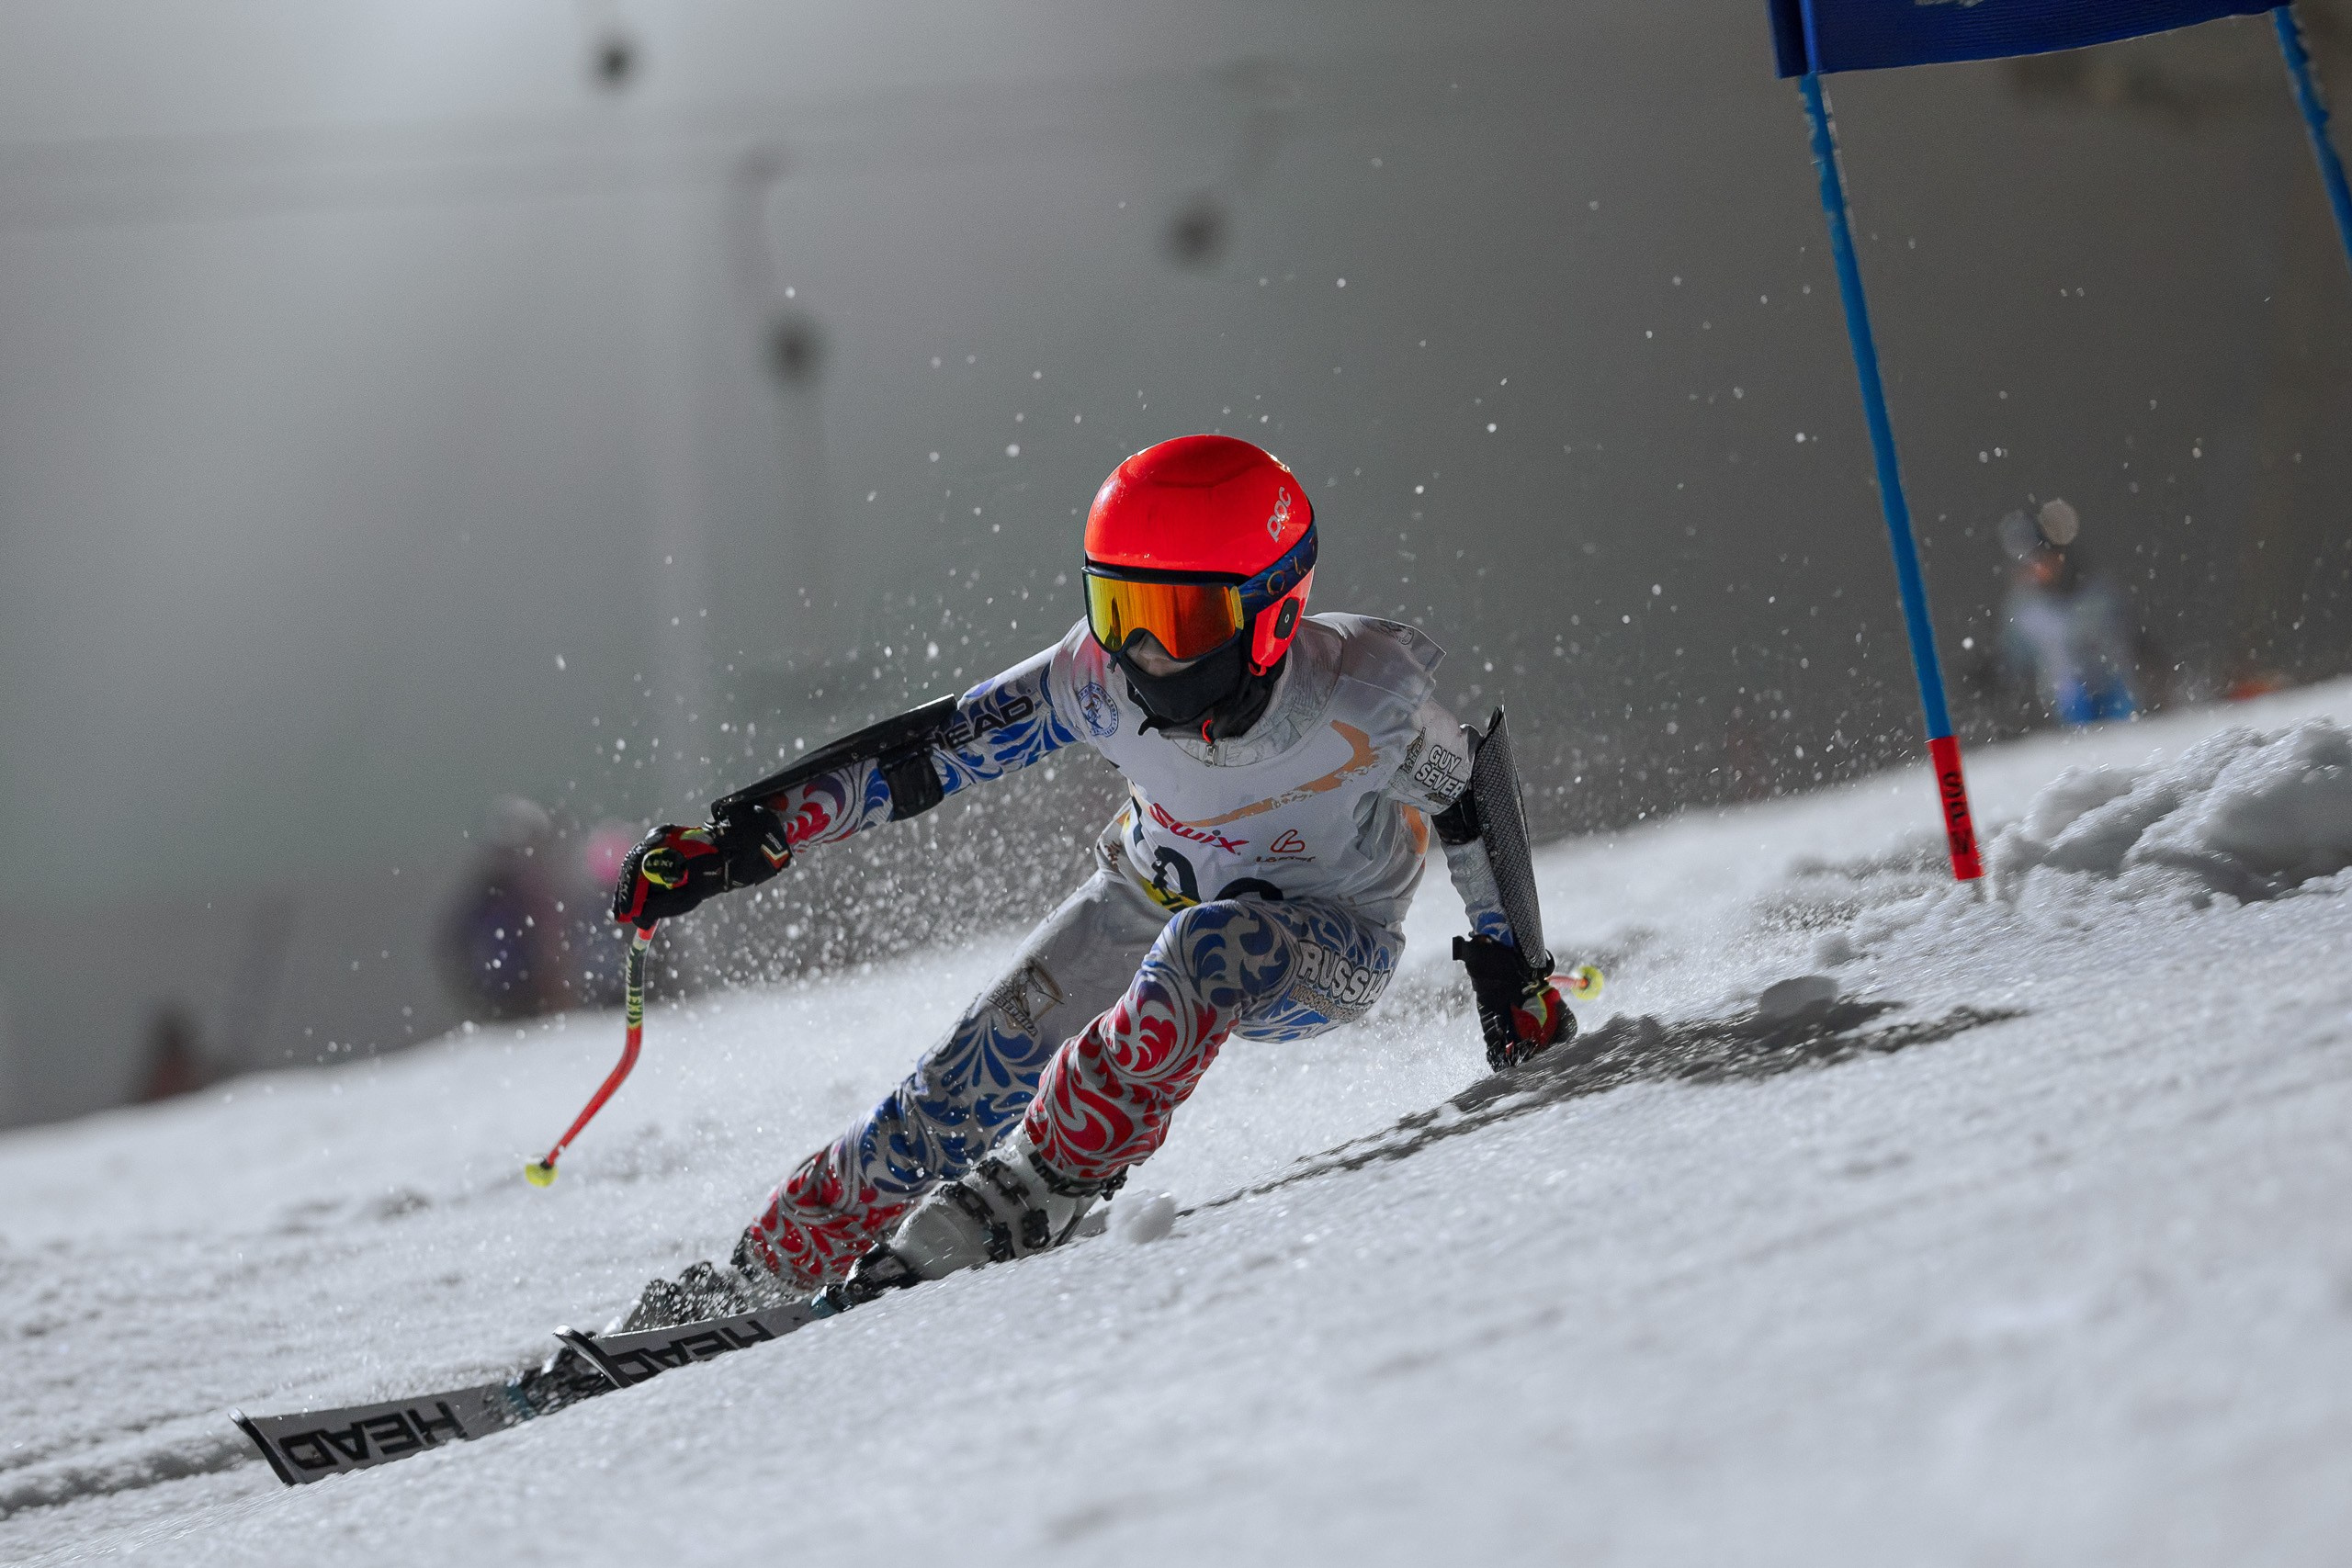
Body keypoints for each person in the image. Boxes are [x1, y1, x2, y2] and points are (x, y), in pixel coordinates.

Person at [596, 434, 1578, 1332]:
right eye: (1119, 611)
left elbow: (1471, 799)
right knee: (962, 1081)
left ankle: (1044, 1186)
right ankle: (764, 1273)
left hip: (1325, 946)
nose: (1141, 654)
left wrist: (1513, 971)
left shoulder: (1365, 700)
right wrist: (750, 835)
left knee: (1209, 950)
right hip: (1143, 896)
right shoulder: (1095, 680)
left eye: (1177, 620)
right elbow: (932, 753)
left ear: (1272, 613)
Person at [1997, 499, 2141, 726]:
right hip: (2069, 703)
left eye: (2040, 560)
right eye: (2028, 565)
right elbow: (2014, 658)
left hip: (2117, 694)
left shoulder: (2098, 595)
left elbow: (2132, 640)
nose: (2036, 570)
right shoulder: (2025, 611)